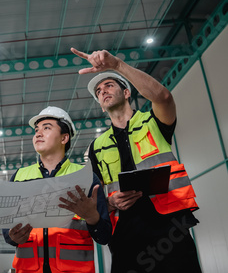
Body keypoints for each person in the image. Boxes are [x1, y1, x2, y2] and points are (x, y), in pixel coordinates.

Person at [71, 47, 201, 272]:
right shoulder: (96, 147)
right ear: (101, 105)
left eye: (109, 85)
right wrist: (111, 203)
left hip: (170, 228)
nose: (103, 91)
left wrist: (117, 66)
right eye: (99, 91)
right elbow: (95, 195)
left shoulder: (153, 122)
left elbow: (164, 97)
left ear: (127, 92)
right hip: (125, 236)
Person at [3, 106, 112, 273]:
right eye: (36, 130)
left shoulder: (86, 177)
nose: (38, 133)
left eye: (46, 127)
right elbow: (6, 231)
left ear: (64, 138)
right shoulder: (19, 177)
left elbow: (104, 236)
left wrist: (92, 217)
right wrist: (12, 236)